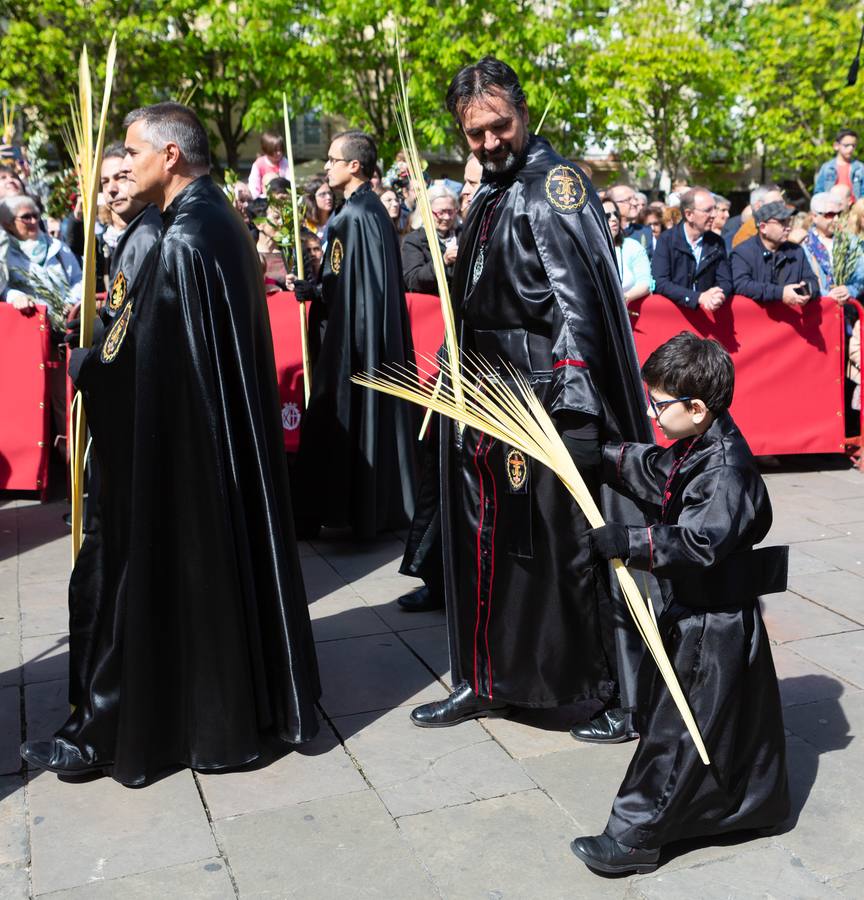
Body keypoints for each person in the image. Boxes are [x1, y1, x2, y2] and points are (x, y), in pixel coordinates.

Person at [18, 101, 321, 785]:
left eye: (132, 151)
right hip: (210, 448)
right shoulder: (214, 220)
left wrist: (87, 364)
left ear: (170, 156)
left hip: (179, 456)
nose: (123, 163)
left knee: (134, 581)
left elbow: (141, 355)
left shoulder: (185, 238)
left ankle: (111, 729)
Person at [409, 58, 651, 737]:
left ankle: (618, 698)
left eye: (498, 127)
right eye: (473, 134)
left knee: (574, 554)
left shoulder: (556, 188)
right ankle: (488, 679)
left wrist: (571, 409)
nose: (488, 143)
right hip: (488, 402)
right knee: (489, 547)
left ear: (522, 109)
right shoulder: (493, 188)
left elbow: (577, 309)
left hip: (546, 403)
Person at [570, 332, 789, 875]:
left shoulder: (724, 470)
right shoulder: (701, 444)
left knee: (676, 728)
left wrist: (631, 541)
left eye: (660, 404)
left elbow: (700, 541)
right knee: (727, 722)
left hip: (712, 622)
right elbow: (659, 471)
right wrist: (605, 456)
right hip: (709, 613)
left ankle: (635, 836)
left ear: (697, 407)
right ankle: (748, 808)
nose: (652, 412)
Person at [290, 130, 417, 539]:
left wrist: (311, 288)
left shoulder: (349, 218)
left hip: (351, 343)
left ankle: (331, 509)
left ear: (353, 166)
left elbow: (338, 283)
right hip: (373, 338)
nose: (326, 167)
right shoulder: (374, 211)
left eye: (331, 159)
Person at [651, 187, 732, 310]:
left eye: (714, 209)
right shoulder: (667, 240)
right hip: (674, 317)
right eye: (708, 210)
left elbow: (725, 281)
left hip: (707, 319)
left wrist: (718, 295)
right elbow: (660, 282)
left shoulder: (717, 242)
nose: (714, 215)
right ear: (689, 214)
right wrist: (696, 297)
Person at [730, 201, 819, 305]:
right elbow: (742, 285)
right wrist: (781, 293)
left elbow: (813, 282)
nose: (788, 227)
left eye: (789, 221)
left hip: (790, 319)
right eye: (782, 222)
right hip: (757, 319)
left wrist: (806, 290)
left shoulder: (796, 251)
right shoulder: (743, 252)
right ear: (763, 227)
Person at [802, 192, 864, 303]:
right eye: (829, 215)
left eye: (838, 214)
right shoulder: (803, 246)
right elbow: (802, 282)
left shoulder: (851, 242)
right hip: (820, 311)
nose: (836, 219)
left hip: (848, 309)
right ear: (814, 217)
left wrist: (850, 290)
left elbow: (861, 275)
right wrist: (827, 296)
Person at [401, 184, 460, 294]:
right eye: (440, 212)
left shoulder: (462, 234)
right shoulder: (414, 240)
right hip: (433, 306)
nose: (446, 217)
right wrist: (443, 261)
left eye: (450, 212)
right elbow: (412, 280)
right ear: (426, 212)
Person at [604, 200, 651, 304]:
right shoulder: (586, 250)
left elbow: (646, 282)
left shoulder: (632, 246)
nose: (614, 219)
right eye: (607, 216)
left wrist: (625, 298)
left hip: (628, 312)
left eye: (616, 214)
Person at [814, 129, 863, 200]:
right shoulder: (827, 167)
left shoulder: (860, 168)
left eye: (853, 145)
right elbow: (818, 193)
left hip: (854, 208)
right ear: (836, 146)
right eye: (847, 145)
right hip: (831, 208)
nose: (851, 148)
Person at [731, 184, 783, 249]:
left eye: (782, 203)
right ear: (758, 206)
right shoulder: (745, 235)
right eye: (776, 204)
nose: (782, 207)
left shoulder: (783, 226)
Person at [607, 183, 652, 257]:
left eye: (635, 199)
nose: (635, 203)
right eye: (628, 200)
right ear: (612, 203)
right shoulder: (603, 233)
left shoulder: (645, 231)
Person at [248, 131, 290, 199]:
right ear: (266, 150)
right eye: (275, 150)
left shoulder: (284, 162)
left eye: (280, 150)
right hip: (264, 198)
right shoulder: (258, 165)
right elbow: (254, 186)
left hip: (282, 197)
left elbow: (289, 180)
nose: (279, 153)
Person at [302, 176, 334, 243]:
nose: (329, 197)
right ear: (312, 199)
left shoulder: (338, 219)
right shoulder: (305, 225)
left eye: (330, 193)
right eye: (323, 194)